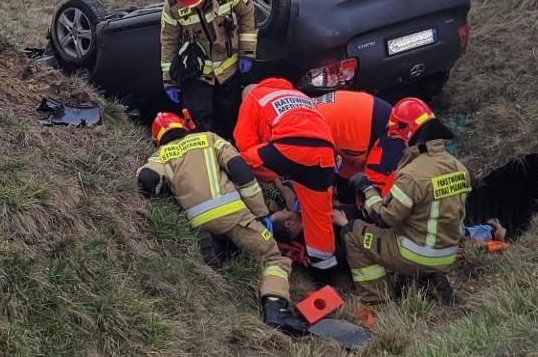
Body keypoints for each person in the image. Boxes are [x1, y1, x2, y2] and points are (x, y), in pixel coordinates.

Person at [137, 112, 304, 333]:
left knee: (229, 240)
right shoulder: (209, 138)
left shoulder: (160, 155)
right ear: (184, 126)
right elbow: (240, 171)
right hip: (234, 215)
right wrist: (260, 212)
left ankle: (217, 245)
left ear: (156, 139)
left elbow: (147, 179)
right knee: (273, 258)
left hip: (197, 221)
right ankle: (276, 310)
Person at [335, 100, 467, 305]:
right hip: (448, 252)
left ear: (406, 132)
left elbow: (385, 218)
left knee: (352, 232)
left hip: (416, 254)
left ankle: (378, 299)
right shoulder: (457, 166)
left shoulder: (412, 175)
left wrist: (366, 188)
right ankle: (429, 278)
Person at [232, 78, 339, 270]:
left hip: (290, 145)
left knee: (236, 162)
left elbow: (245, 143)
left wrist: (266, 176)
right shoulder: (301, 96)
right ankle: (324, 268)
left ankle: (239, 213)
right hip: (324, 152)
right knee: (318, 216)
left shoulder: (253, 97)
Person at [159, 0, 258, 131]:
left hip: (231, 68)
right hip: (198, 71)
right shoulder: (172, 5)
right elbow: (168, 40)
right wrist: (169, 81)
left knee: (235, 115)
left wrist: (247, 52)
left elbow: (247, 13)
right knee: (197, 119)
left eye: (198, 1)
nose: (196, 6)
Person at [312, 90, 394, 194]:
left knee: (372, 181)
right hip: (371, 111)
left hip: (370, 128)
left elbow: (353, 165)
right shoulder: (305, 107)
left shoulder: (309, 131)